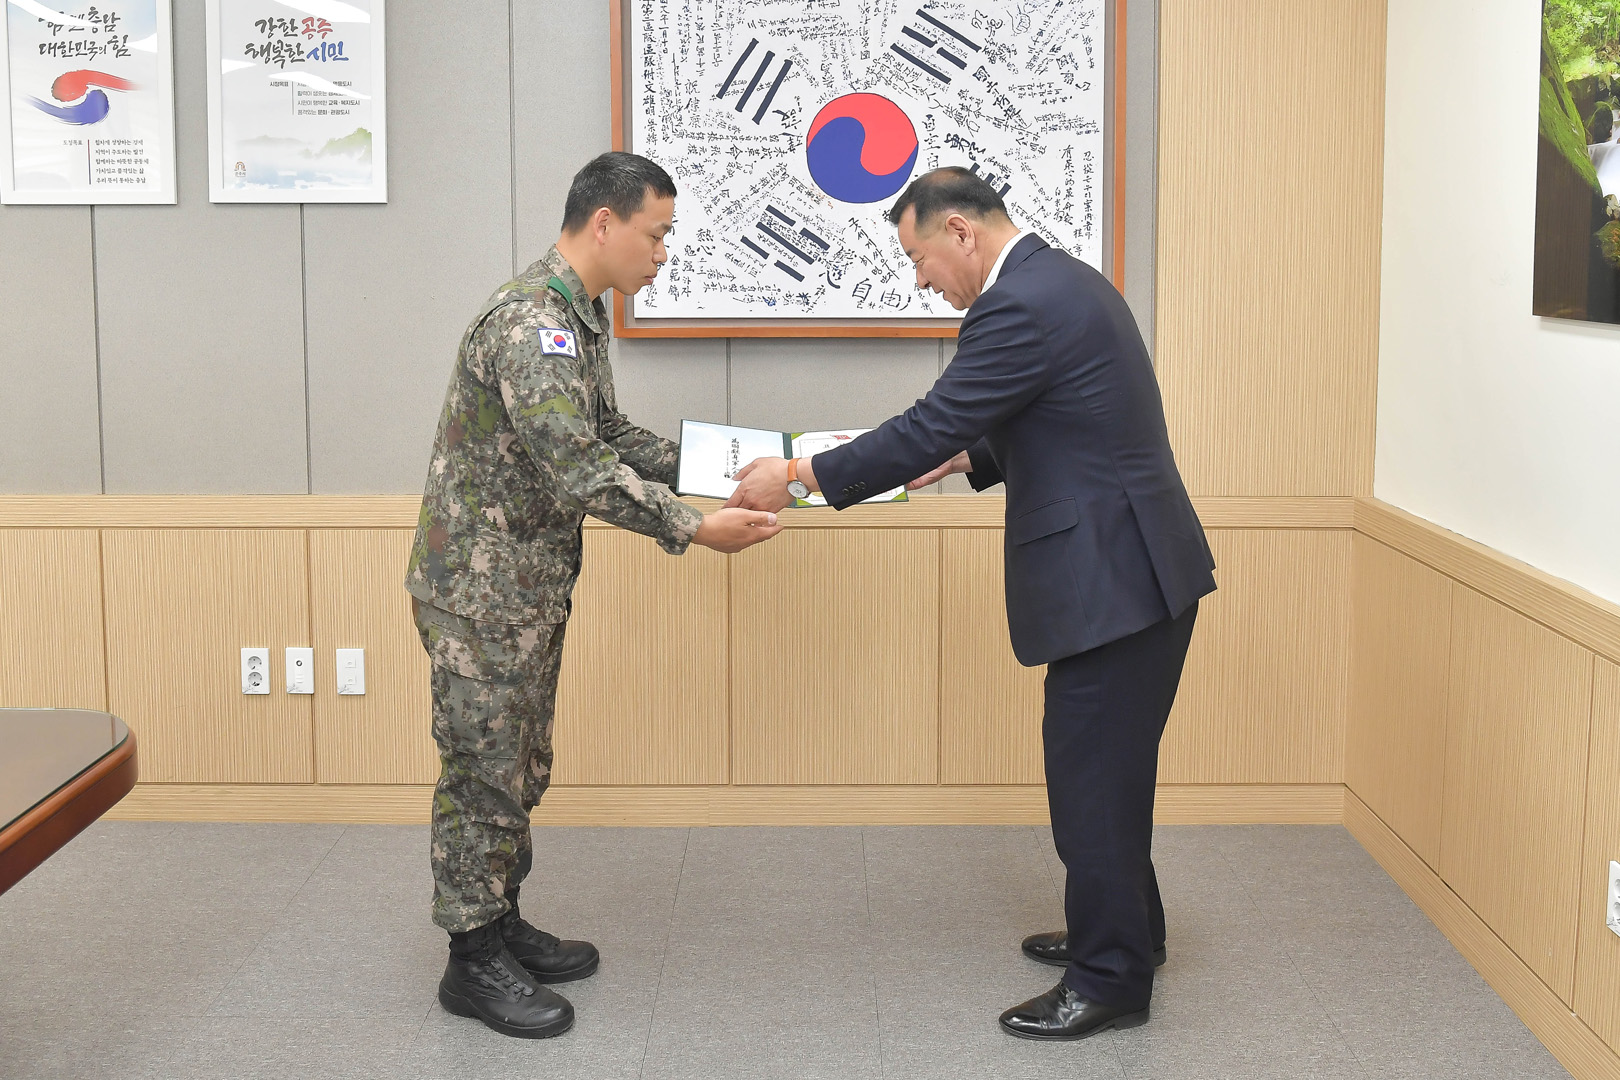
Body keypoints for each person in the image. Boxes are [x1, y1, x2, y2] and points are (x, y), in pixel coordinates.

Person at [726, 166, 1216, 1041]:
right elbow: (1063, 411)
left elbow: (929, 422)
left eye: (918, 259)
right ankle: (1130, 933)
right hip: (1139, 568)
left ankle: (1110, 979)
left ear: (959, 231)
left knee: (1091, 780)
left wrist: (796, 474)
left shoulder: (1016, 303)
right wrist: (968, 457)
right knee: (1110, 771)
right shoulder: (1063, 281)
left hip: (1117, 581)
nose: (922, 282)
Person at [404, 151, 783, 1039]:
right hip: (481, 593)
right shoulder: (529, 324)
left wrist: (718, 466)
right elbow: (578, 468)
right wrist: (694, 527)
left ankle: (500, 920)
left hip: (525, 586)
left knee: (521, 762)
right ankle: (470, 958)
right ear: (604, 222)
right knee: (483, 770)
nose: (663, 254)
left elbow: (605, 432)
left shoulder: (577, 315)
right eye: (656, 234)